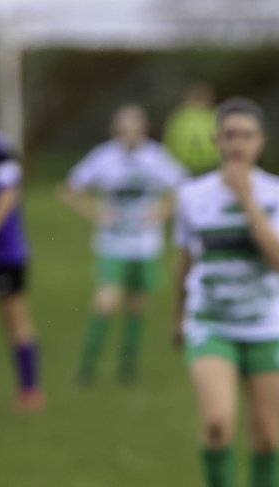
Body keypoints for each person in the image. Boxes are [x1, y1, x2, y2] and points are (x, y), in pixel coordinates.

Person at [173, 98, 279, 487]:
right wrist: (176, 315)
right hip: (210, 323)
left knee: (267, 433)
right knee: (217, 422)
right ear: (216, 141)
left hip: (266, 326)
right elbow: (185, 261)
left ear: (260, 141)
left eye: (247, 136)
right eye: (230, 135)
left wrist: (246, 198)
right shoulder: (192, 195)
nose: (238, 144)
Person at [60, 104, 187, 385]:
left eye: (135, 128)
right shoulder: (103, 157)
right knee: (106, 301)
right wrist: (95, 212)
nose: (129, 134)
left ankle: (127, 370)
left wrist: (163, 212)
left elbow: (183, 188)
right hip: (112, 244)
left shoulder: (155, 157)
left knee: (137, 305)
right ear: (115, 130)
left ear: (143, 130)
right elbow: (69, 189)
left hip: (145, 245)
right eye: (123, 129)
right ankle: (87, 369)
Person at [0, 97, 44, 412]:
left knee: (14, 319)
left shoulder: (0, 150)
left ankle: (30, 390)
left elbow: (8, 193)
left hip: (3, 253)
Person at [163, 84, 220, 176]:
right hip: (181, 168)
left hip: (211, 167)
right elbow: (168, 142)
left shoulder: (214, 115)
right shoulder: (179, 117)